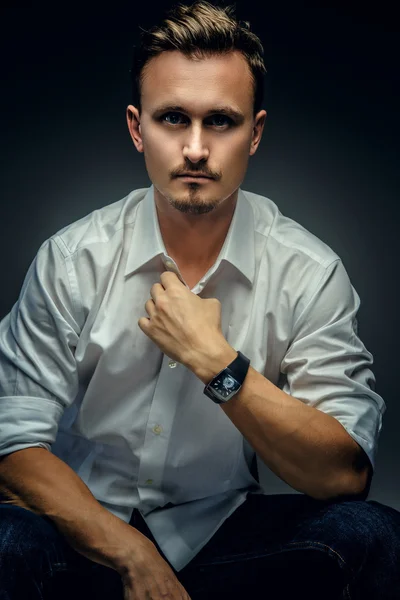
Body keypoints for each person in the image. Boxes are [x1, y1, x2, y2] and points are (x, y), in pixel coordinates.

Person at [0, 1, 399, 599]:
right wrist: (132, 555)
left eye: (220, 121)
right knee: (5, 538)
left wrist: (220, 364)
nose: (193, 148)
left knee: (373, 536)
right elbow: (12, 446)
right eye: (172, 119)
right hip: (83, 536)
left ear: (255, 132)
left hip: (223, 538)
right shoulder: (73, 258)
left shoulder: (308, 271)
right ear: (138, 128)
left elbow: (343, 474)